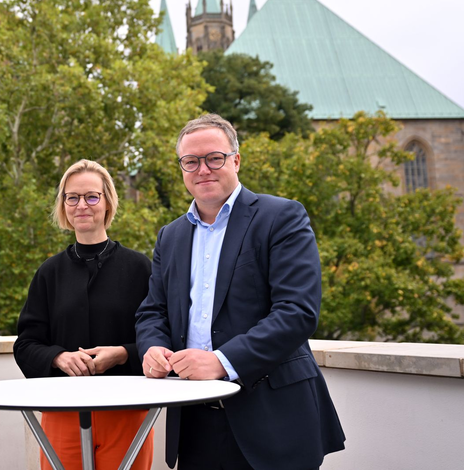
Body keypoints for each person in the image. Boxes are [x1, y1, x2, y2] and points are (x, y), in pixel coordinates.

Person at [136, 114, 345, 470]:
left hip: (273, 419)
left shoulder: (281, 217)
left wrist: (222, 361)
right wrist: (153, 346)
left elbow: (297, 311)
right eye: (191, 161)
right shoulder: (169, 236)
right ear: (182, 168)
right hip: (195, 420)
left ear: (236, 160)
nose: (203, 169)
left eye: (213, 158)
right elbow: (152, 310)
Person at [14, 159, 154, 470]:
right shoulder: (49, 273)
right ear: (63, 205)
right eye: (72, 197)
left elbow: (161, 337)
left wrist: (121, 354)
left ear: (107, 203)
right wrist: (57, 358)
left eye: (92, 196)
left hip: (127, 411)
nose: (82, 205)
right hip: (62, 411)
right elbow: (26, 344)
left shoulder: (139, 268)